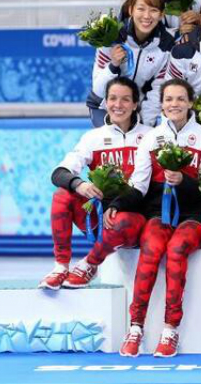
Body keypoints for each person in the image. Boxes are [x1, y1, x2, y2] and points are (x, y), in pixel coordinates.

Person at [113, 78, 201, 358]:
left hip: (194, 215)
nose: (175, 104)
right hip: (159, 214)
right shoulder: (151, 138)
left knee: (176, 249)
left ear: (191, 103)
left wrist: (184, 181)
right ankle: (135, 327)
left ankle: (170, 330)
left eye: (181, 99)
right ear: (161, 105)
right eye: (169, 99)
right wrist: (117, 203)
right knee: (151, 249)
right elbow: (138, 185)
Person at [38, 77, 152, 290]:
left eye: (125, 99)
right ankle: (61, 266)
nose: (118, 105)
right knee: (62, 195)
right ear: (105, 103)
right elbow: (59, 173)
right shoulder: (93, 137)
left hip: (133, 220)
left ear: (135, 104)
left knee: (123, 221)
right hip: (100, 218)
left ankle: (89, 264)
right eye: (113, 98)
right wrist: (79, 184)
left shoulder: (150, 136)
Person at [87, 0, 175, 127]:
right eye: (141, 9)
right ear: (131, 10)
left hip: (137, 108)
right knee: (113, 137)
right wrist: (113, 65)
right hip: (104, 106)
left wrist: (144, 127)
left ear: (161, 14)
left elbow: (157, 92)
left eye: (153, 10)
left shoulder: (166, 45)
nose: (146, 16)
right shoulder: (111, 35)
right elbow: (98, 89)